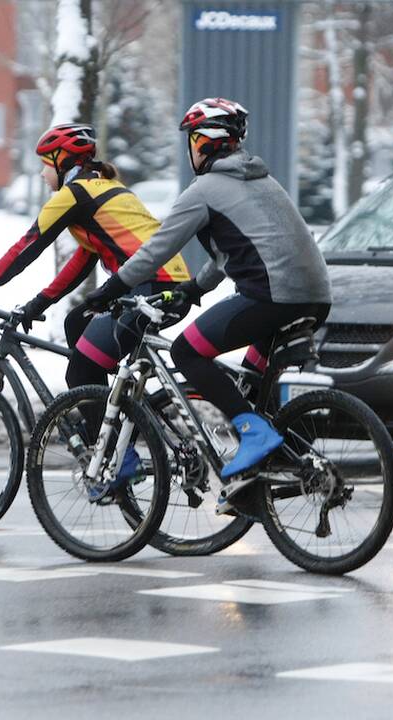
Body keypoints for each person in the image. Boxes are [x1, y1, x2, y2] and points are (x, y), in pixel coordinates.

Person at [84, 98, 332, 510]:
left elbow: (157, 250)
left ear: (203, 143)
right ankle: (270, 472)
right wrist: (196, 289)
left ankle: (256, 436)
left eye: (192, 139)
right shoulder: (264, 183)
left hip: (271, 297)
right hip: (315, 296)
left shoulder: (205, 190)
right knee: (249, 386)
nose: (191, 148)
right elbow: (232, 254)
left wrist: (110, 289)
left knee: (186, 350)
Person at [0, 123, 191, 495]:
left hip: (150, 287)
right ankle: (113, 419)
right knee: (79, 323)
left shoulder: (74, 194)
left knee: (81, 366)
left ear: (63, 162)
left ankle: (117, 458)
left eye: (46, 164)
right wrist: (38, 303)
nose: (44, 173)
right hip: (168, 285)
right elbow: (82, 261)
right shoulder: (105, 189)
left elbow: (27, 247)